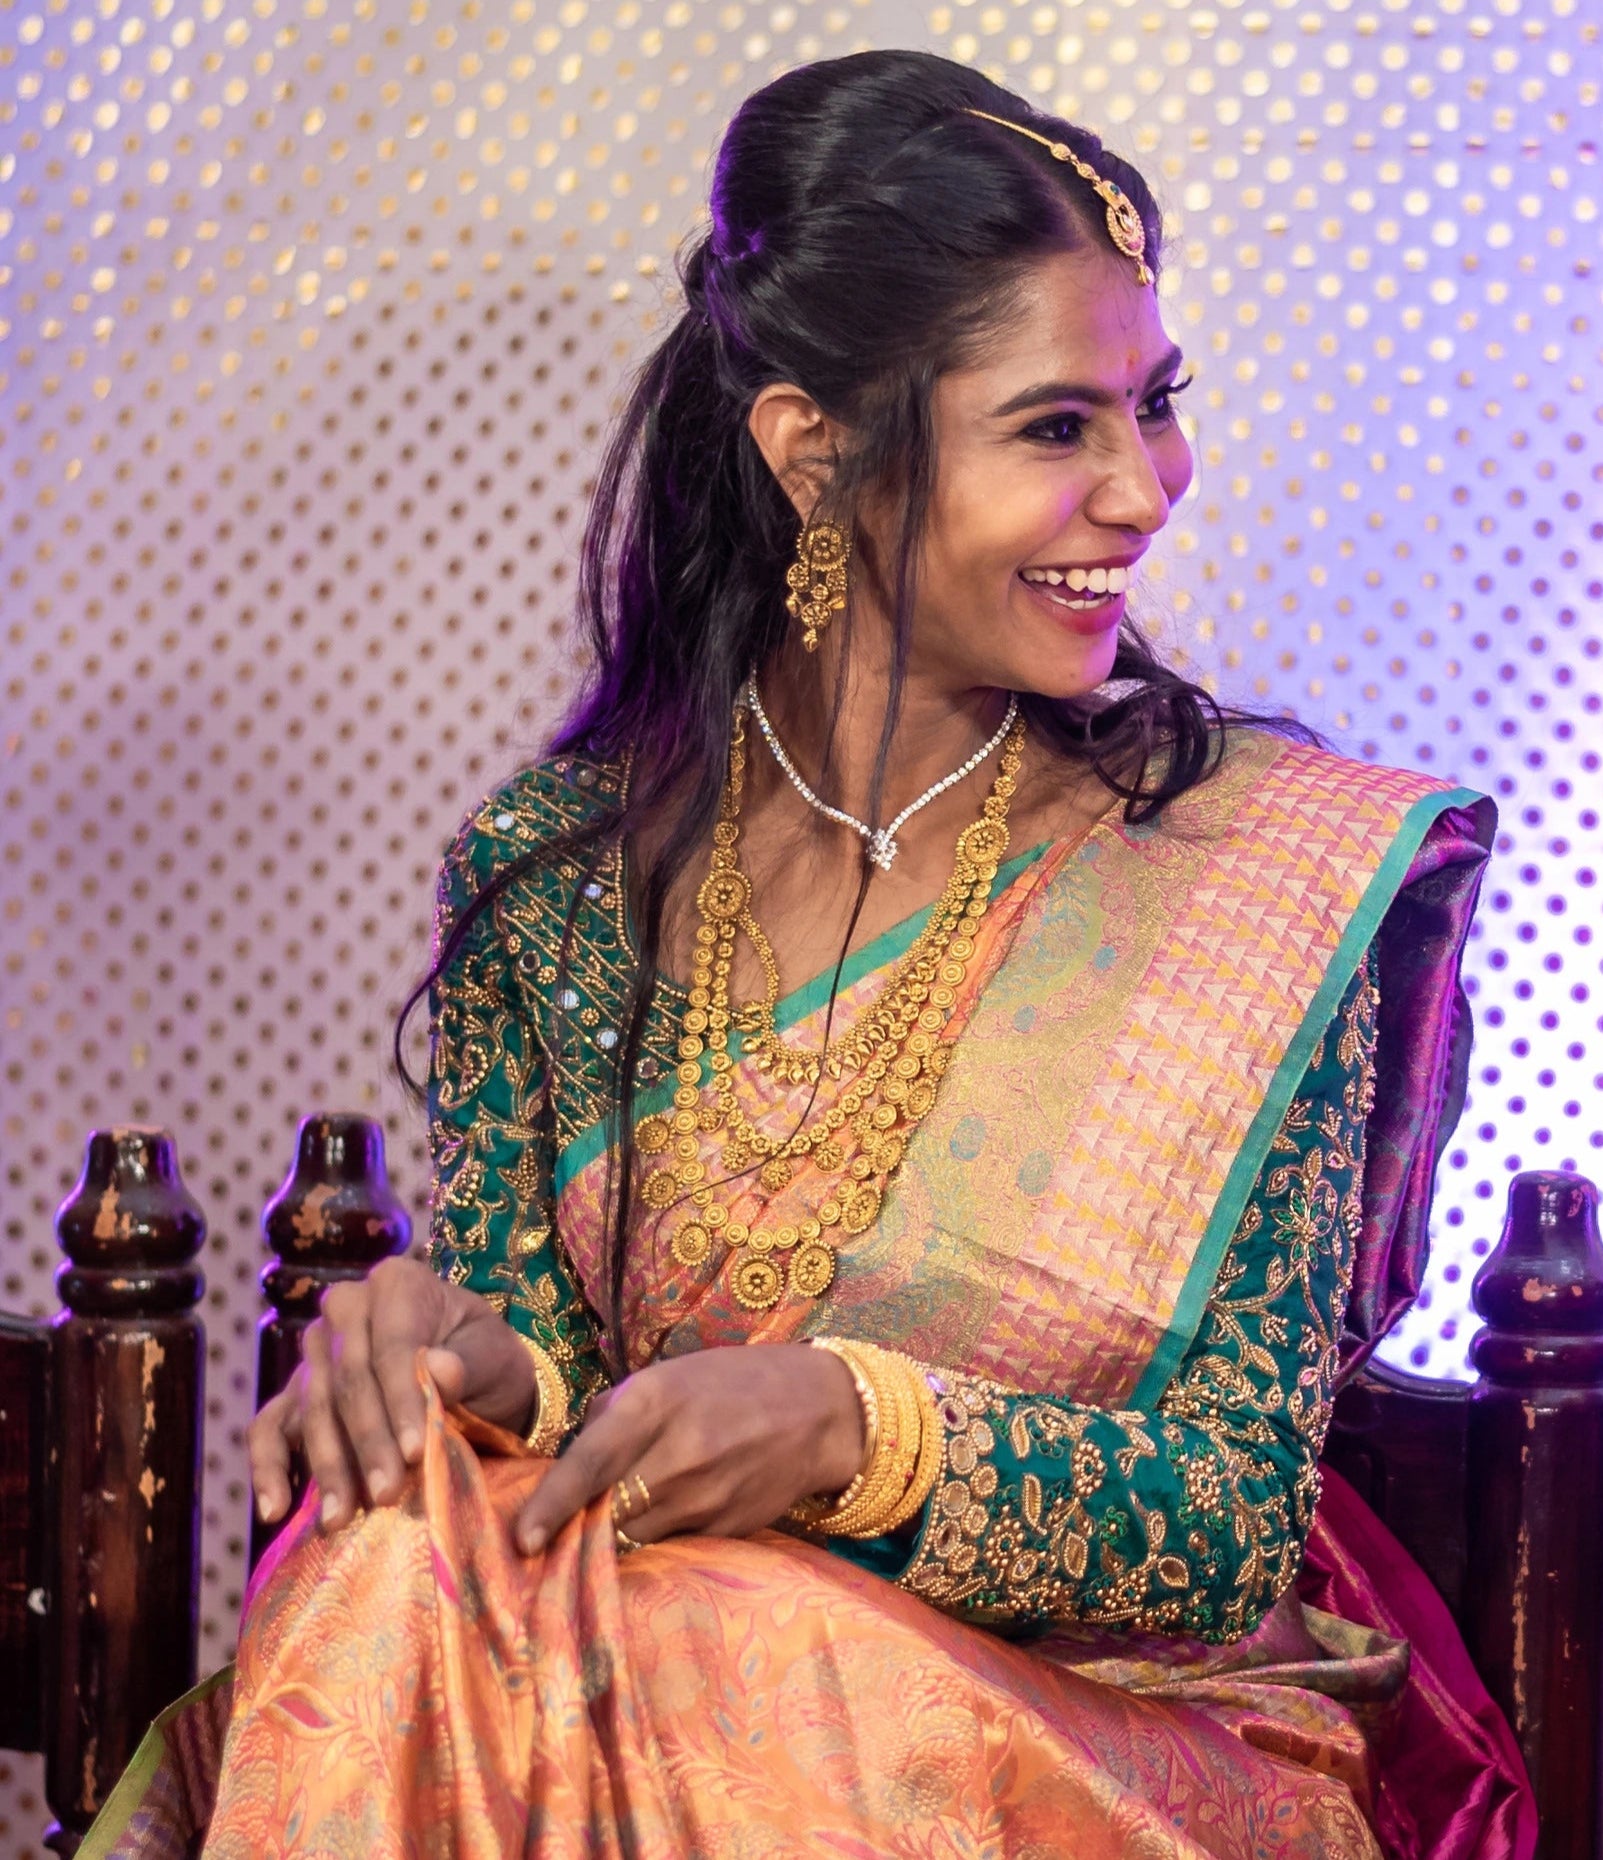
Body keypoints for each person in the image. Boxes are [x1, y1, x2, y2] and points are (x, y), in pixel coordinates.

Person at [84, 47, 1535, 1860]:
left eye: (1155, 404)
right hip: (640, 1685)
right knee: (393, 1558)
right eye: (1056, 427)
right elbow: (560, 1392)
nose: (1147, 490)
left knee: (711, 1670)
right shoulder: (560, 881)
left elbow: (1225, 1518)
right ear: (814, 451)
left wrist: (858, 1427)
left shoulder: (1261, 872)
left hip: (1083, 1736)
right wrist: (469, 1362)